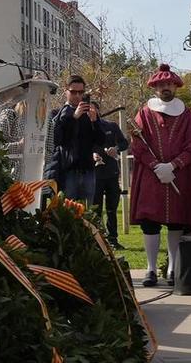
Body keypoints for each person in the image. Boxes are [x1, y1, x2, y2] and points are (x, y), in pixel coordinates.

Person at [129, 64, 191, 286]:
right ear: (155, 88)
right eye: (161, 84)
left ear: (175, 86)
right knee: (150, 222)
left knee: (176, 222)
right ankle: (151, 269)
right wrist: (155, 165)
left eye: (169, 84)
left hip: (178, 175)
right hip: (151, 178)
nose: (166, 87)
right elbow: (138, 145)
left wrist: (174, 165)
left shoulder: (189, 116)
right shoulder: (143, 113)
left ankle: (172, 268)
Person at [45, 76, 101, 206]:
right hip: (68, 171)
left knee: (87, 212)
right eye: (73, 92)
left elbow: (100, 140)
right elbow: (58, 139)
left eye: (81, 92)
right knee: (66, 212)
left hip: (88, 170)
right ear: (66, 91)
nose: (77, 96)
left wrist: (95, 122)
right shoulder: (58, 113)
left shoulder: (89, 114)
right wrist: (74, 117)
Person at [93, 96, 128, 248]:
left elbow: (124, 142)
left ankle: (113, 240)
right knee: (96, 210)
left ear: (98, 111)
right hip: (94, 176)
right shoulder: (83, 129)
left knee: (112, 209)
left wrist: (116, 149)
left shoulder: (111, 126)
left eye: (93, 109)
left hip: (111, 173)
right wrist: (91, 155)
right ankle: (97, 242)